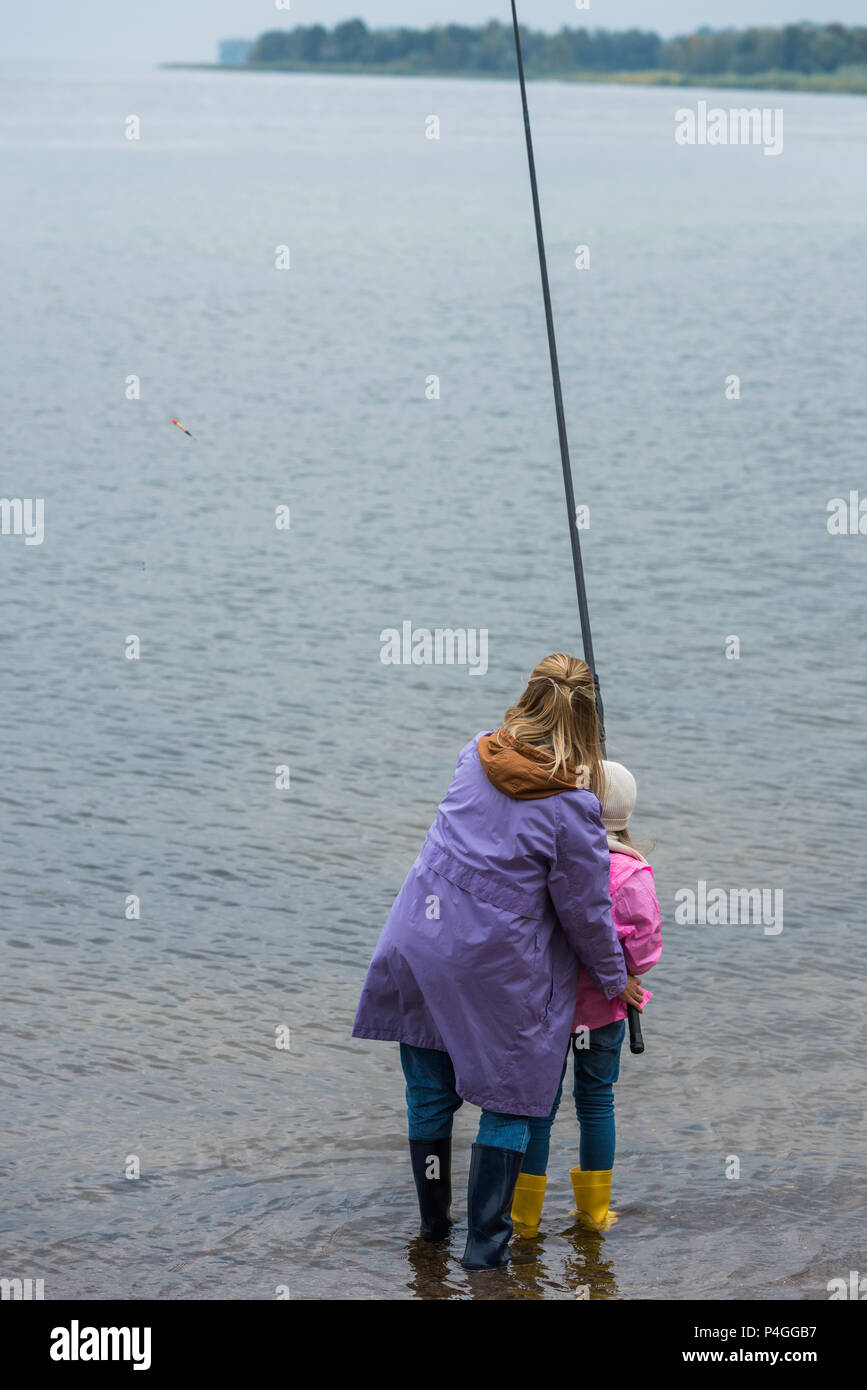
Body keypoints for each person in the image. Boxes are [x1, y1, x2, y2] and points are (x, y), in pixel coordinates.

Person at [351, 654, 642, 1269]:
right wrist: (618, 980)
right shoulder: (574, 810)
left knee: (428, 1095)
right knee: (512, 1099)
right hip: (492, 967)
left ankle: (433, 1232)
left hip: (416, 942)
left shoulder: (473, 754)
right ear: (586, 727)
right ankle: (485, 1255)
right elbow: (586, 915)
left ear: (528, 701)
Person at [510, 760, 662, 1237]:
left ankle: (524, 1218)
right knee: (596, 1103)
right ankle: (594, 1213)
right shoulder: (631, 873)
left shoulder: (555, 859)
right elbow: (646, 945)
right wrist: (628, 972)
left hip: (546, 1009)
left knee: (539, 1106)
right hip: (603, 1014)